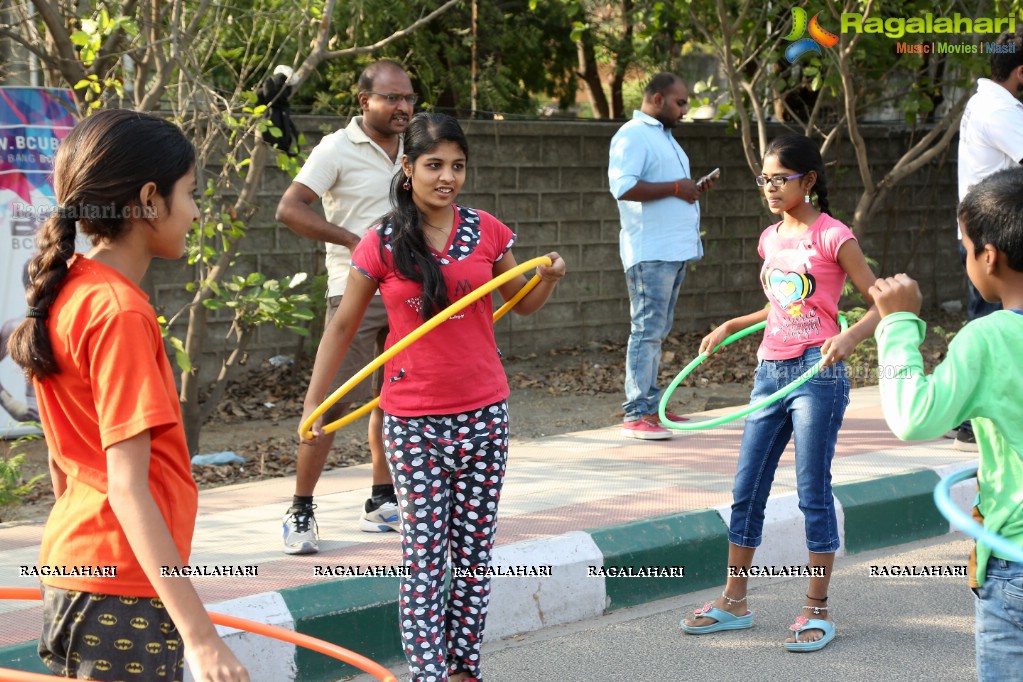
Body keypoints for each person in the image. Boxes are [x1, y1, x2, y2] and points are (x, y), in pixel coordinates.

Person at [299, 113, 565, 682]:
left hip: (484, 413)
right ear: (408, 167)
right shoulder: (381, 241)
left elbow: (520, 303)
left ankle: (464, 669)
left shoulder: (488, 230)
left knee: (472, 560)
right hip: (414, 420)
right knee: (423, 558)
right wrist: (315, 405)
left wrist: (548, 277)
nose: (447, 177)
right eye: (434, 165)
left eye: (457, 166)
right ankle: (427, 674)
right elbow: (343, 325)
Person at [6, 110, 248, 681]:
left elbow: (60, 461)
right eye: (190, 194)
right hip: (117, 584)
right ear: (148, 199)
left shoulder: (70, 290)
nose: (194, 212)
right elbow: (126, 485)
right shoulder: (119, 312)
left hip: (81, 568)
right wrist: (202, 637)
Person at [680, 134, 880, 652]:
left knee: (812, 490)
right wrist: (731, 322)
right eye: (764, 179)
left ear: (807, 180)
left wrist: (850, 335)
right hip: (769, 368)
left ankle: (816, 608)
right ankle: (734, 601)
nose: (769, 187)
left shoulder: (835, 236)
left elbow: (885, 303)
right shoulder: (769, 238)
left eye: (779, 178)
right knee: (747, 488)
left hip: (819, 371)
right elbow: (783, 305)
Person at [871, 167, 1023, 680]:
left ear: (989, 256)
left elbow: (912, 417)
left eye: (964, 247)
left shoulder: (988, 340)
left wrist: (895, 327)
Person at [276, 60, 415, 553]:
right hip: (356, 289)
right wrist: (357, 242)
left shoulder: (414, 149)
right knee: (329, 403)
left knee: (393, 399)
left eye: (408, 99)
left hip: (408, 290)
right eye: (391, 98)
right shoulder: (336, 148)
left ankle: (382, 502)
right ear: (365, 101)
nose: (402, 107)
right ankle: (301, 509)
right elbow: (290, 208)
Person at [608, 71, 717, 440]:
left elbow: (670, 191)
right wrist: (675, 186)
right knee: (647, 331)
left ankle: (652, 406)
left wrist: (689, 189)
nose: (685, 110)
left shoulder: (665, 138)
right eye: (680, 102)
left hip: (672, 251)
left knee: (657, 332)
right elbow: (622, 187)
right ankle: (636, 412)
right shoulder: (632, 135)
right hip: (649, 252)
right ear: (657, 99)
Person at [952, 27, 1023, 451]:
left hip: (992, 232)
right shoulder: (999, 112)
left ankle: (970, 417)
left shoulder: (994, 104)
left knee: (988, 321)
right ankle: (969, 423)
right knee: (986, 323)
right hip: (994, 235)